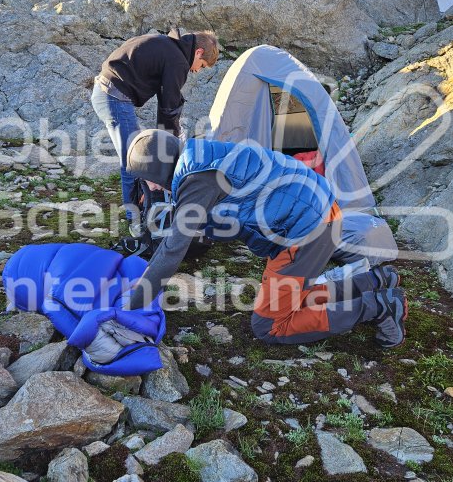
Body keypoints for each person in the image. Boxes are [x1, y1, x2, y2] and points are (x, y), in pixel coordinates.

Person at [123, 129, 408, 347]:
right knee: (290, 295)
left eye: (147, 177)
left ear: (158, 168)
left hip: (307, 230)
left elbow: (173, 250)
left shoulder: (199, 181)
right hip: (316, 211)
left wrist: (132, 307)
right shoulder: (200, 157)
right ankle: (375, 281)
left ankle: (380, 306)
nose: (149, 186)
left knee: (270, 325)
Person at [91, 28, 219, 207]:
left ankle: (143, 208)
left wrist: (168, 136)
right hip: (113, 97)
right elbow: (168, 106)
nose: (197, 70)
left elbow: (167, 100)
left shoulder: (167, 45)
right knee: (133, 160)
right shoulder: (178, 61)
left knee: (137, 157)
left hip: (108, 91)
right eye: (202, 65)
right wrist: (170, 143)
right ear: (199, 52)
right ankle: (135, 219)